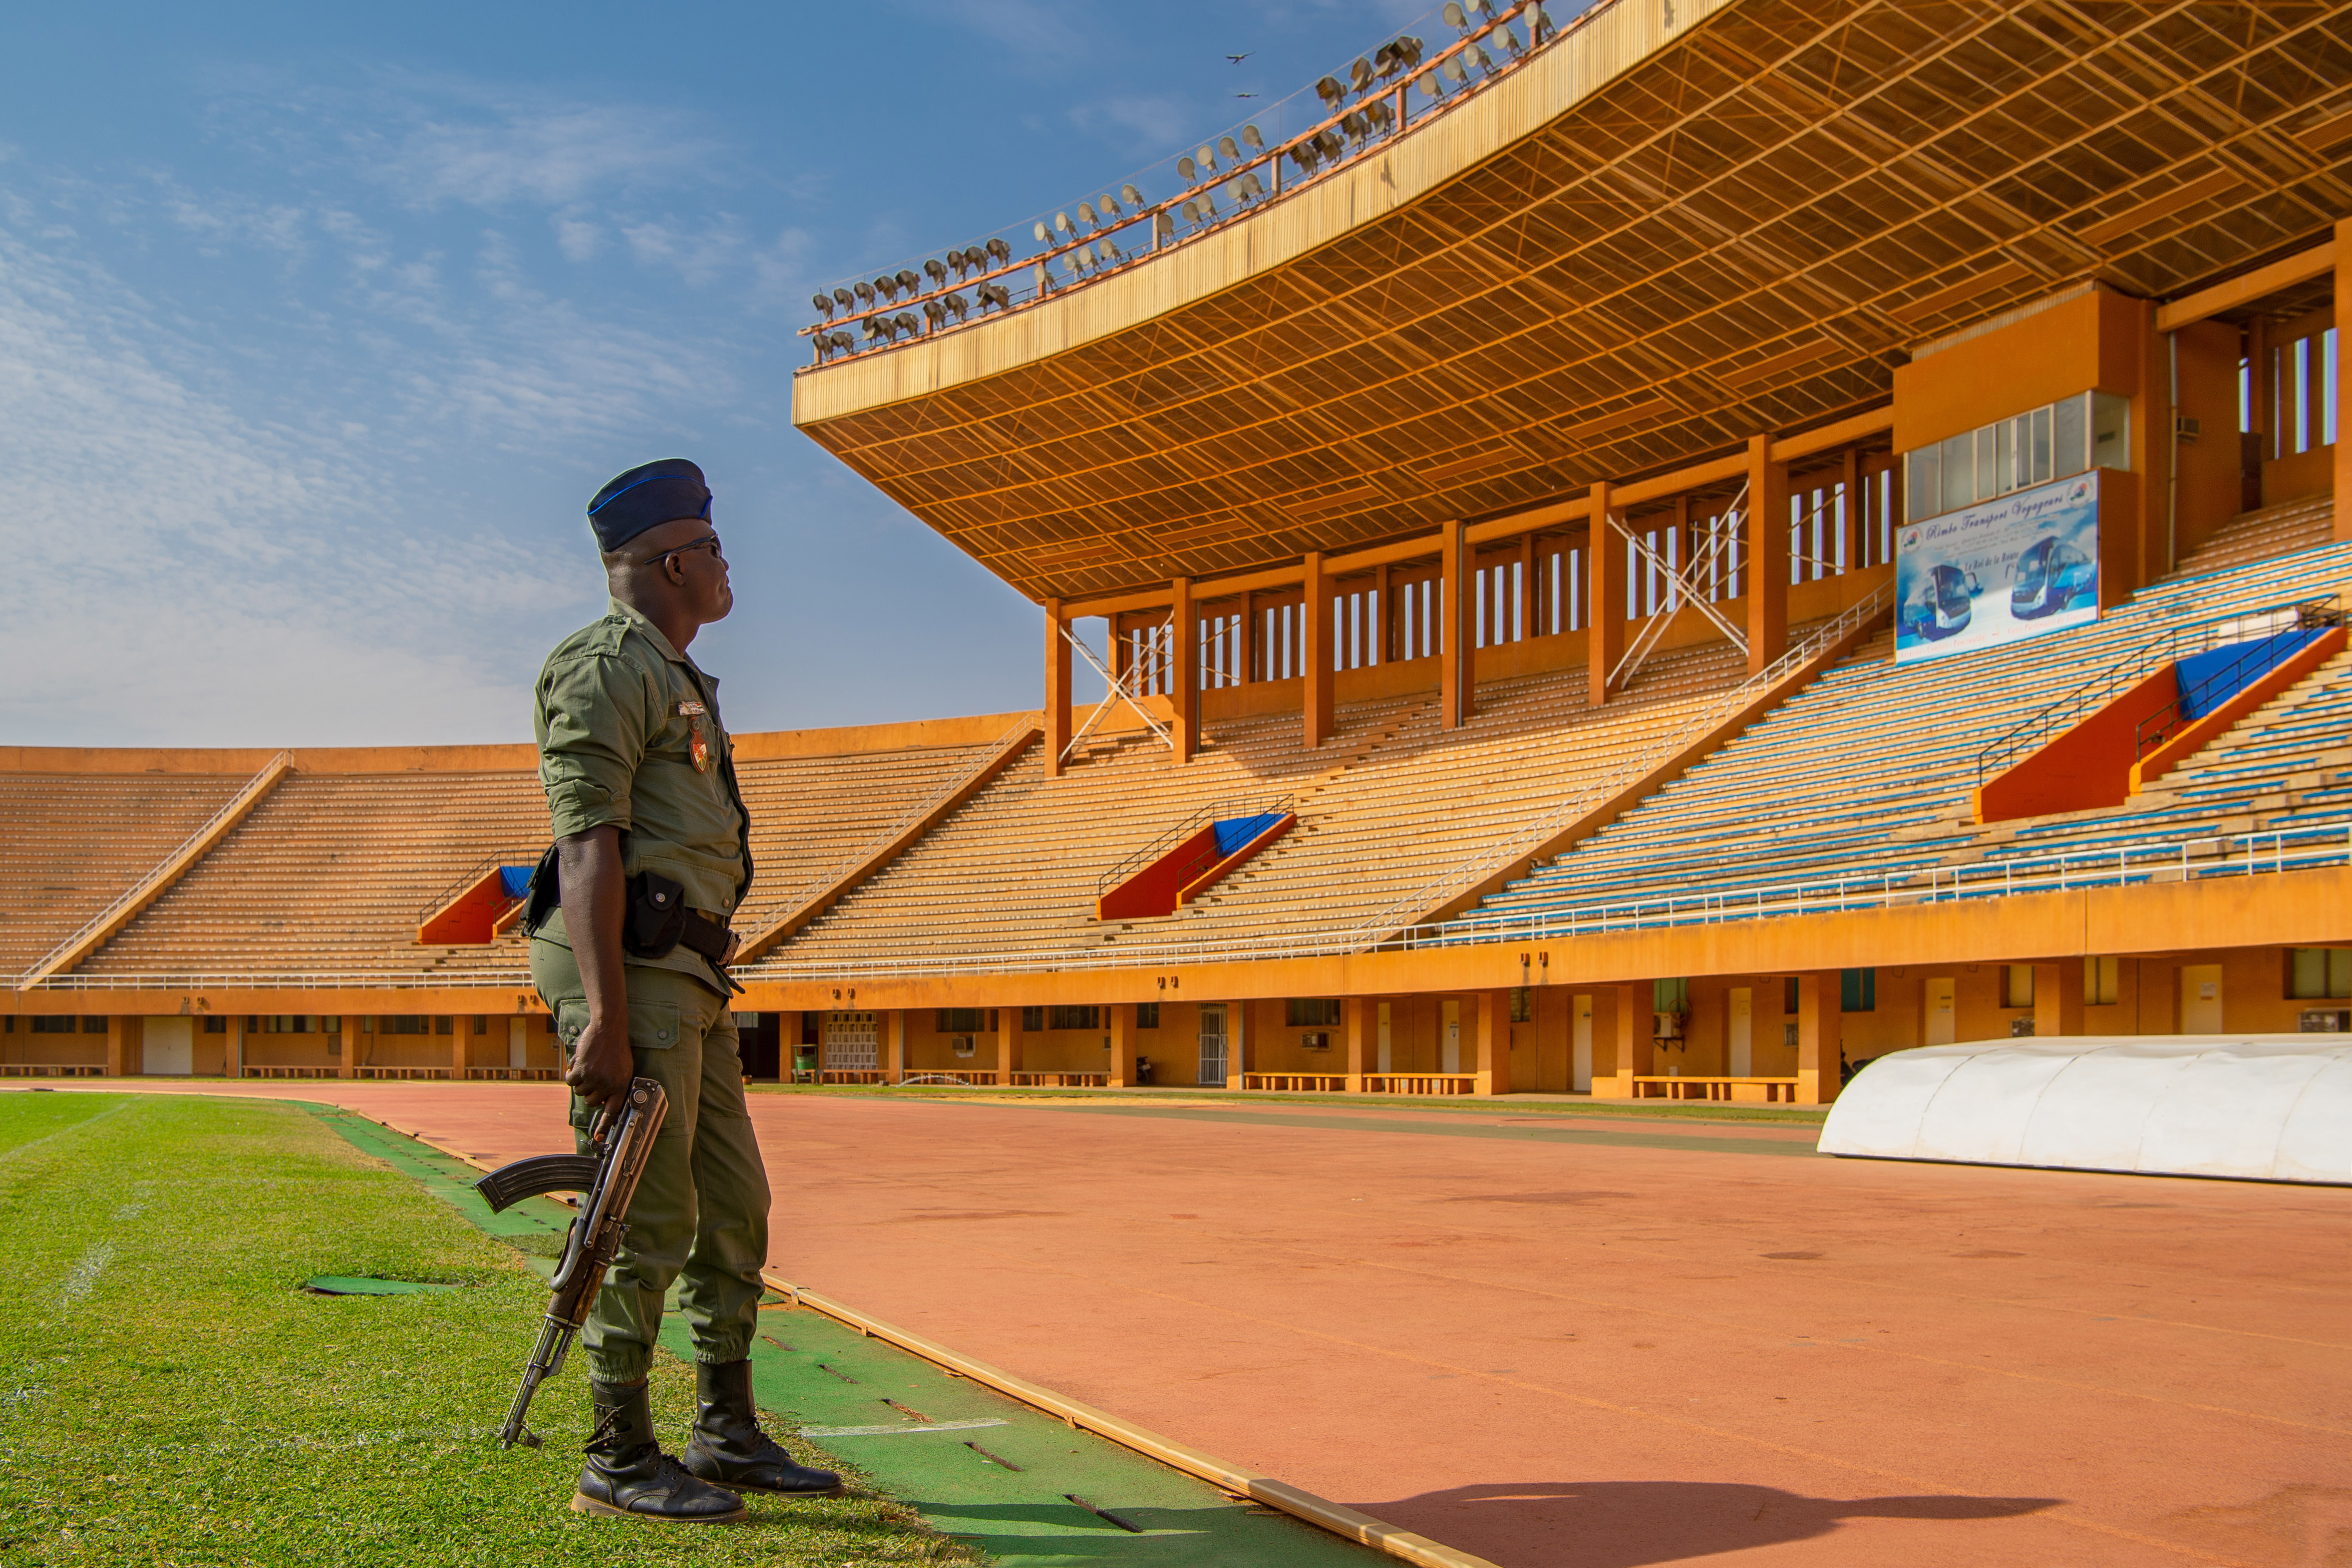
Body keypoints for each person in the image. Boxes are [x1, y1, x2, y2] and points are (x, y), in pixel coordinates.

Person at [528, 457, 839, 1522]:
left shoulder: (678, 676)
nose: (724, 563)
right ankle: (616, 1451)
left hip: (689, 972)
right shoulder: (606, 665)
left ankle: (725, 1427)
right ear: (673, 558)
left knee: (733, 1204)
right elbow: (586, 841)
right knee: (642, 1209)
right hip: (635, 970)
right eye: (712, 547)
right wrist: (608, 1017)